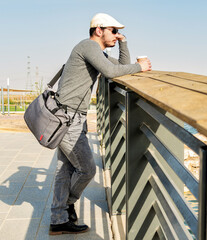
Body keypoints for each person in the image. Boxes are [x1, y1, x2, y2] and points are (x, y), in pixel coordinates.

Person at [49, 13, 151, 235]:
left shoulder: (97, 52)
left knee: (64, 169)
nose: (117, 34)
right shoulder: (88, 47)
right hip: (67, 119)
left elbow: (122, 67)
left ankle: (58, 219)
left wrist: (124, 43)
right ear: (99, 30)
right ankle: (65, 207)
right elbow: (112, 72)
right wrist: (140, 67)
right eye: (113, 31)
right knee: (86, 169)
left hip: (72, 117)